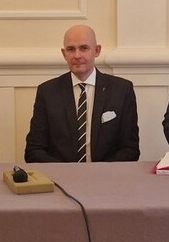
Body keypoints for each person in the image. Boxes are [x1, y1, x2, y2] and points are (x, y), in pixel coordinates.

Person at [24, 25, 140, 162]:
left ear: (97, 50)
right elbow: (34, 150)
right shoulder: (47, 92)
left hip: (106, 174)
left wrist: (99, 172)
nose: (77, 55)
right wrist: (67, 171)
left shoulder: (121, 90)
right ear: (64, 54)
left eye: (84, 48)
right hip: (60, 173)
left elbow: (130, 150)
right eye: (71, 49)